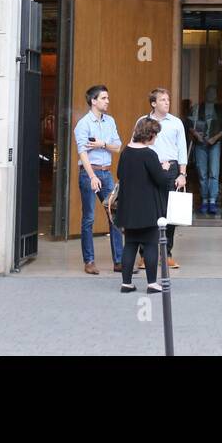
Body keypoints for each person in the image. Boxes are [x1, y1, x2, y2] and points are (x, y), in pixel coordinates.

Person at [116, 116, 179, 293]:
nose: (156, 138)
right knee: (151, 244)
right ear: (149, 135)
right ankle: (152, 283)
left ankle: (126, 283)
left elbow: (120, 174)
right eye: (156, 135)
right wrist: (165, 169)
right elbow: (161, 180)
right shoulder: (149, 154)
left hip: (128, 207)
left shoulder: (126, 152)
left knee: (130, 245)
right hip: (148, 208)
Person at [75, 84, 123, 275]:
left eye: (107, 98)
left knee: (115, 215)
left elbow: (118, 146)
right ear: (93, 101)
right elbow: (83, 152)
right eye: (104, 98)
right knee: (89, 218)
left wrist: (103, 144)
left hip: (107, 172)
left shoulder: (110, 121)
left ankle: (119, 261)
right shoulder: (83, 124)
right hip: (90, 173)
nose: (107, 101)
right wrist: (92, 176)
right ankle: (89, 261)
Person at [144, 87, 187, 268]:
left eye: (168, 100)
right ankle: (145, 254)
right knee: (147, 211)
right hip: (149, 168)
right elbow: (136, 144)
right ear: (153, 103)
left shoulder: (176, 123)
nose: (167, 102)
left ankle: (166, 252)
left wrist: (182, 174)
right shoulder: (143, 122)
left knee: (170, 212)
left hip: (171, 169)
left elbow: (182, 149)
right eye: (162, 100)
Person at [190, 85, 222, 215]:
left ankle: (212, 201)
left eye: (214, 93)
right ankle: (204, 200)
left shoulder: (220, 109)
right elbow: (190, 124)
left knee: (214, 172)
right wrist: (197, 135)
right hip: (200, 144)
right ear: (205, 94)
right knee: (202, 173)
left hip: (215, 144)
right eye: (209, 92)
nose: (212, 95)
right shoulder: (197, 108)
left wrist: (214, 138)